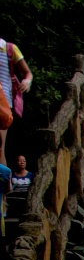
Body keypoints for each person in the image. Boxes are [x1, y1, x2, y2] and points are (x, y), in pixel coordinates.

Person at [0, 38, 32, 167]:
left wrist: (26, 82)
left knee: (0, 147)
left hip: (3, 105)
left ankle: (3, 185)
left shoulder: (8, 49)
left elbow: (27, 73)